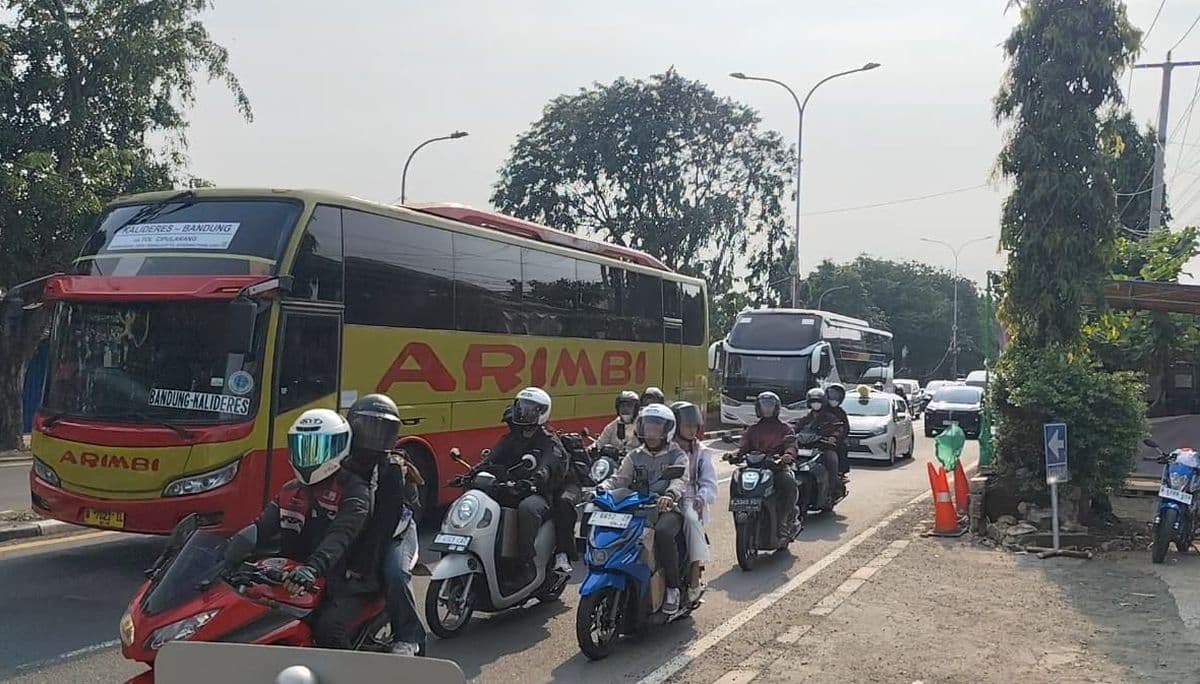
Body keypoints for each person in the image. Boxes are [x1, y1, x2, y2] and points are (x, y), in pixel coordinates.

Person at [225, 409, 371, 650]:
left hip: (345, 579)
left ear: (339, 449)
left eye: (317, 449)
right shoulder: (291, 490)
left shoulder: (354, 490)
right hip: (293, 577)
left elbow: (340, 536)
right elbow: (261, 527)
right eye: (303, 447)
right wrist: (228, 553)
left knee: (329, 630)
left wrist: (312, 569)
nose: (308, 457)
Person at [341, 394, 426, 657]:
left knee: (395, 574)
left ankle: (409, 635)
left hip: (396, 533)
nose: (373, 436)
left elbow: (383, 524)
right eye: (367, 427)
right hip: (357, 528)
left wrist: (361, 565)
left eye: (381, 429)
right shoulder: (342, 460)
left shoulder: (392, 469)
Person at [597, 403, 690, 614]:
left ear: (667, 430)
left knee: (664, 534)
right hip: (636, 509)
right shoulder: (634, 455)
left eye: (656, 427)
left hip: (667, 510)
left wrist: (669, 495)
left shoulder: (677, 455)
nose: (651, 432)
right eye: (647, 427)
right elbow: (620, 480)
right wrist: (602, 488)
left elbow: (680, 480)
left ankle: (673, 588)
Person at [477, 387, 569, 582]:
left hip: (540, 493)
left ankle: (525, 562)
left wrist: (533, 481)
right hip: (511, 487)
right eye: (522, 407)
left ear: (542, 412)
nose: (524, 413)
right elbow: (493, 458)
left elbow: (548, 466)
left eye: (530, 409)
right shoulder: (512, 437)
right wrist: (472, 473)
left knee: (527, 509)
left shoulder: (549, 441)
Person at [736, 391, 799, 537]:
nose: (767, 409)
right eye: (764, 406)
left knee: (789, 484)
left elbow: (791, 444)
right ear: (758, 408)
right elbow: (743, 446)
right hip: (754, 469)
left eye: (770, 406)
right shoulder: (752, 429)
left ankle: (783, 521)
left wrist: (788, 455)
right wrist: (734, 455)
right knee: (736, 481)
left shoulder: (785, 429)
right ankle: (740, 514)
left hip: (776, 469)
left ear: (776, 408)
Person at [671, 401, 716, 598]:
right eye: (686, 425)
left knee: (691, 520)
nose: (691, 430)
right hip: (662, 496)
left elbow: (709, 482)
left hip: (689, 497)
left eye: (694, 425)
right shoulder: (665, 448)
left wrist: (701, 497)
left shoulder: (702, 451)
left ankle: (694, 579)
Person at [791, 388, 846, 499]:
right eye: (813, 401)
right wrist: (789, 431)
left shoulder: (830, 417)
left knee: (831, 459)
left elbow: (839, 427)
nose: (816, 404)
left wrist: (833, 437)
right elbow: (796, 425)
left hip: (823, 448)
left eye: (818, 401)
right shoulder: (807, 417)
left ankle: (832, 488)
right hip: (806, 448)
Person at [824, 383, 852, 481]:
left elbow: (845, 428)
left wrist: (836, 437)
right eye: (831, 395)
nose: (833, 398)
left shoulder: (841, 413)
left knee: (842, 447)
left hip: (834, 440)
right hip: (818, 438)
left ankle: (840, 472)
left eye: (836, 396)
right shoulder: (820, 409)